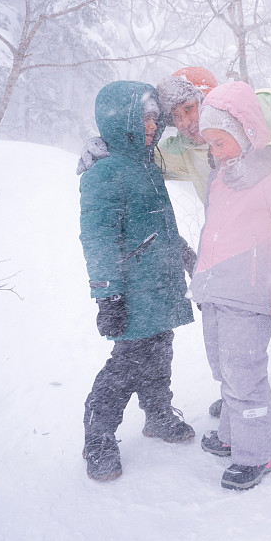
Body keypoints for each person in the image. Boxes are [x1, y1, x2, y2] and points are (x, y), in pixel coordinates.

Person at [77, 66, 271, 444]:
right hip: (256, 264)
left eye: (190, 107)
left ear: (208, 94)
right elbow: (146, 157)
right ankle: (240, 400)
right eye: (176, 117)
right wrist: (107, 148)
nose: (186, 123)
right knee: (241, 334)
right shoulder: (191, 146)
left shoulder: (263, 107)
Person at [189, 80, 271, 490]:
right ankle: (230, 435)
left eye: (221, 141)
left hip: (249, 295)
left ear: (245, 133)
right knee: (224, 369)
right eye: (211, 143)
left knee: (244, 375)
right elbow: (215, 232)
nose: (215, 151)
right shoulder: (219, 178)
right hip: (215, 291)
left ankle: (256, 454)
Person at [79, 80, 195, 482]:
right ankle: (97, 437)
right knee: (126, 366)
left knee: (161, 350)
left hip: (160, 282)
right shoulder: (105, 172)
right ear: (122, 119)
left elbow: (158, 224)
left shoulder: (147, 165)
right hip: (132, 289)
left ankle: (158, 414)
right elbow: (98, 238)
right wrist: (108, 296)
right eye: (143, 118)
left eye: (154, 118)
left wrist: (186, 256)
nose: (151, 126)